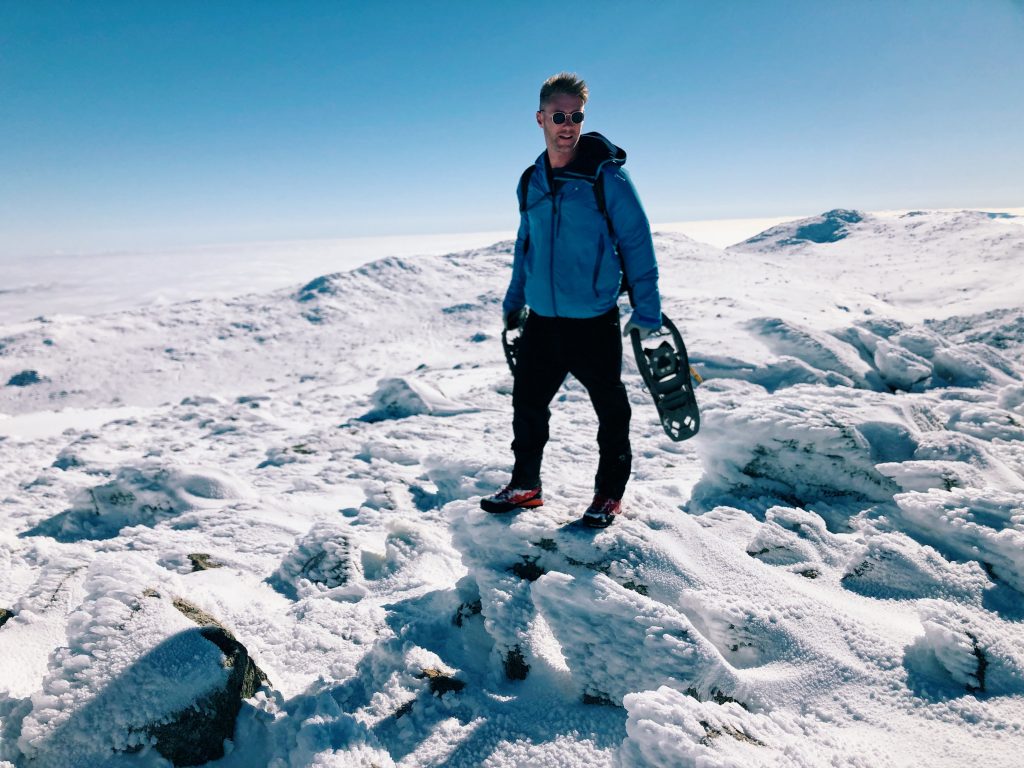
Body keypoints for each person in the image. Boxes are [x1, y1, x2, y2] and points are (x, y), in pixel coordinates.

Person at [480, 72, 662, 528]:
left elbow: (637, 242)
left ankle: (608, 495)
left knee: (611, 409)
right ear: (540, 118)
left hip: (594, 318)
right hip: (543, 317)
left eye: (576, 116)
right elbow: (528, 242)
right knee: (527, 404)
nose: (568, 124)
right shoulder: (531, 181)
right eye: (559, 116)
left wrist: (647, 310)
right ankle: (526, 486)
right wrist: (515, 297)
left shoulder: (607, 177)